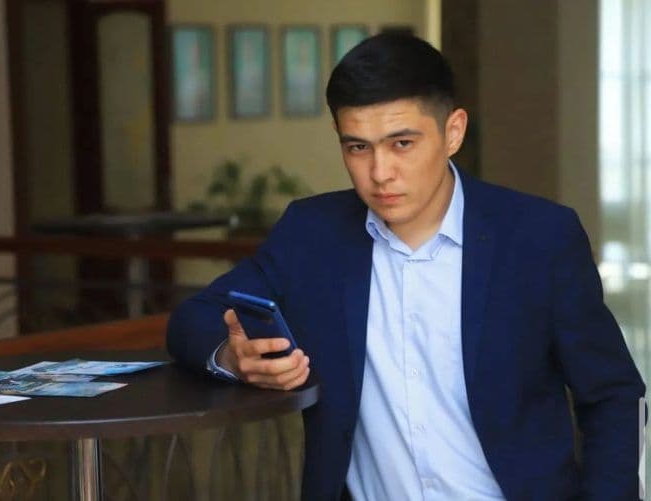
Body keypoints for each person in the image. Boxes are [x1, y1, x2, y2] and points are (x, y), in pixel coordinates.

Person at [167, 33, 645, 501]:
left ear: (453, 132)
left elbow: (612, 394)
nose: (380, 174)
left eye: (401, 144)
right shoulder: (312, 235)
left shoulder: (539, 239)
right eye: (358, 147)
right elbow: (194, 318)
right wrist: (233, 358)